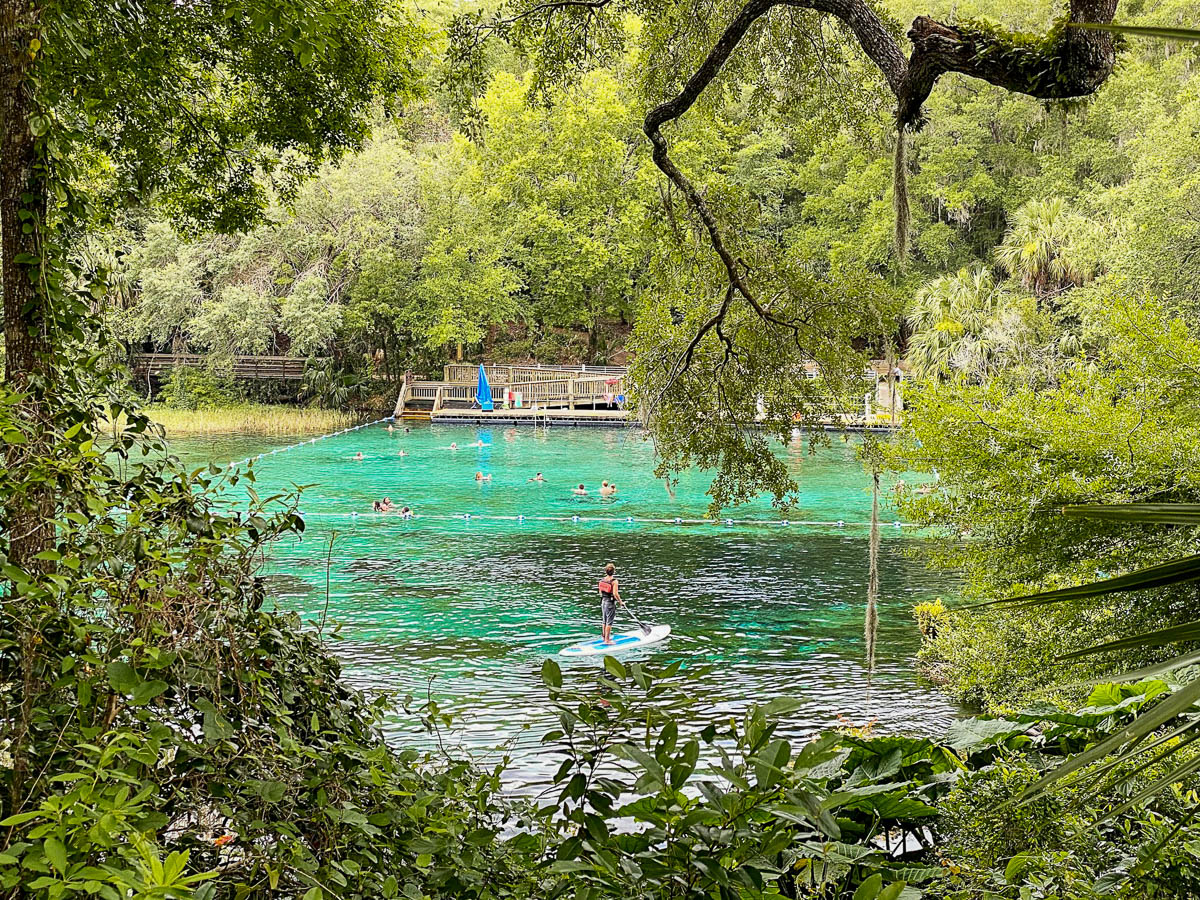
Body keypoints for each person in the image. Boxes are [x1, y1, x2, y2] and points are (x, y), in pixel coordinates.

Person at [598, 563, 623, 644]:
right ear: (614, 571)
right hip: (610, 603)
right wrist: (620, 602)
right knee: (609, 622)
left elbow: (600, 592)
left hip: (603, 602)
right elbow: (615, 594)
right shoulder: (614, 581)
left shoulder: (602, 580)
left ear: (606, 571)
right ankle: (607, 640)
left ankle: (604, 637)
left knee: (604, 620)